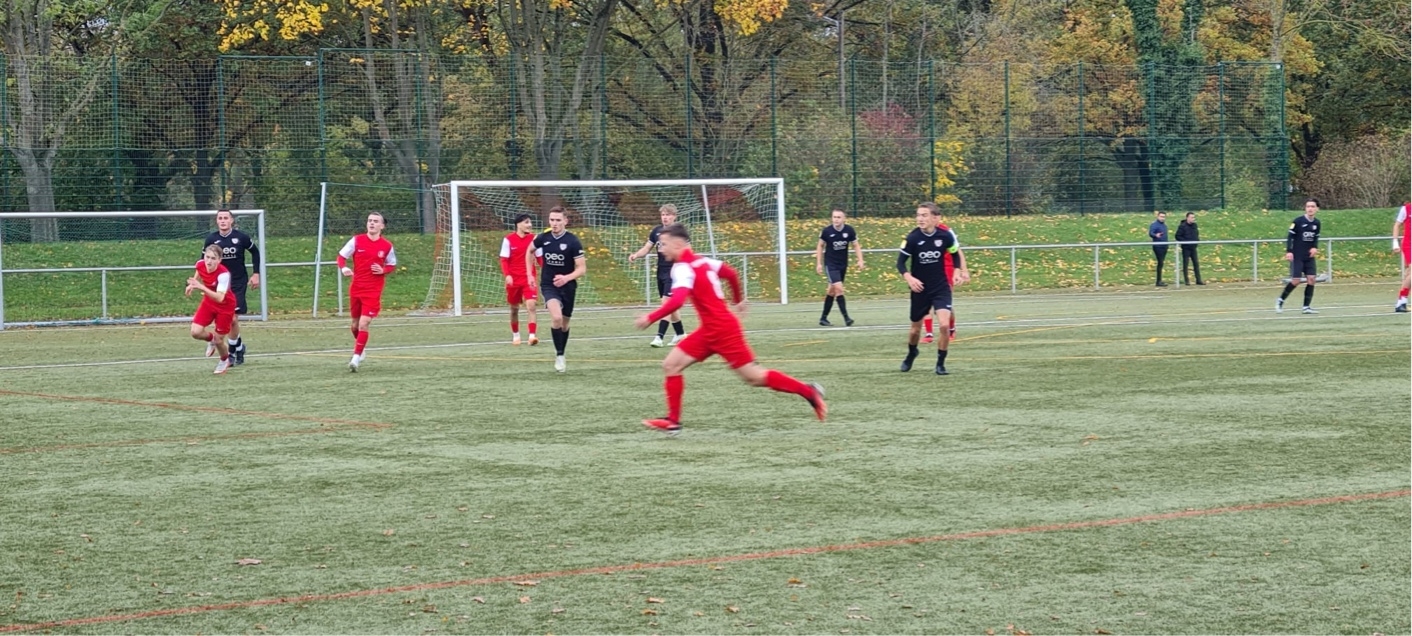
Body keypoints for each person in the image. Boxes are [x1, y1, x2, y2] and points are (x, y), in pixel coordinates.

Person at [634, 224, 826, 434]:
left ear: (678, 243)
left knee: (754, 377)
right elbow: (731, 273)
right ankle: (673, 421)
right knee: (671, 365)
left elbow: (677, 301)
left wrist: (650, 317)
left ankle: (808, 391)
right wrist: (737, 300)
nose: (661, 249)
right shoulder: (704, 261)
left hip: (723, 330)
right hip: (709, 330)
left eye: (664, 244)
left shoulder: (682, 268)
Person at [898, 202, 964, 375]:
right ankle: (912, 352)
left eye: (924, 215)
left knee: (944, 325)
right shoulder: (912, 238)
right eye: (918, 215)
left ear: (935, 218)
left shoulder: (945, 236)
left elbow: (955, 254)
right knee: (915, 330)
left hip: (940, 287)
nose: (920, 219)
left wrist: (957, 271)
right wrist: (909, 277)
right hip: (920, 289)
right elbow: (900, 263)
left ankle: (940, 364)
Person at [338, 212, 398, 371]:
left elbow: (392, 264)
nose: (371, 223)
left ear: (382, 226)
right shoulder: (356, 240)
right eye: (370, 220)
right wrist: (343, 268)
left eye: (376, 221)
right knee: (355, 325)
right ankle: (361, 348)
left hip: (373, 291)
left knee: (364, 324)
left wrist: (383, 270)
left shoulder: (387, 246)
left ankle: (355, 359)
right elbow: (341, 257)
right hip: (356, 288)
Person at [530, 206, 587, 372]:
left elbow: (582, 269)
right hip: (549, 285)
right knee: (556, 318)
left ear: (565, 221)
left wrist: (566, 278)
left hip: (568, 286)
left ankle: (562, 351)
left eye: (558, 220)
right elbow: (529, 250)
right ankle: (559, 355)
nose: (554, 223)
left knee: (565, 323)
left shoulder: (573, 241)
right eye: (552, 220)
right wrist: (529, 275)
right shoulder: (543, 237)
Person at [203, 209, 261, 364]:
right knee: (227, 319)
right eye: (220, 218)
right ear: (217, 221)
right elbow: (204, 261)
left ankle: (232, 352)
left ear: (231, 220)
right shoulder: (211, 239)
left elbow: (255, 253)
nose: (223, 221)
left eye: (226, 218)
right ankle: (239, 347)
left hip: (237, 282)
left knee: (233, 318)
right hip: (219, 284)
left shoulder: (241, 237)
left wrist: (256, 273)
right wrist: (205, 281)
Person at [628, 204, 686, 347]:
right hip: (661, 271)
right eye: (663, 215)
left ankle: (659, 337)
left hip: (674, 272)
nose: (665, 217)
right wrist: (636, 255)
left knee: (666, 304)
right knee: (670, 305)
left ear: (674, 216)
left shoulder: (678, 232)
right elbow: (647, 248)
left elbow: (687, 251)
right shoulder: (656, 231)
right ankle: (680, 334)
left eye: (668, 215)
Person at [186, 244, 236, 375]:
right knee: (195, 332)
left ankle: (224, 359)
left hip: (225, 306)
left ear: (219, 260)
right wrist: (192, 284)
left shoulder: (223, 274)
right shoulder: (200, 264)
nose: (209, 261)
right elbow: (199, 270)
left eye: (213, 258)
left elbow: (220, 298)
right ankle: (211, 339)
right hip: (208, 302)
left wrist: (201, 287)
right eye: (207, 257)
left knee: (220, 340)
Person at [815, 207, 865, 326]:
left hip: (842, 264)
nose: (836, 219)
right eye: (834, 217)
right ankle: (847, 318)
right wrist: (819, 263)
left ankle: (823, 318)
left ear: (844, 219)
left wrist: (860, 260)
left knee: (832, 291)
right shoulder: (827, 231)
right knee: (839, 289)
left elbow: (856, 245)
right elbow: (820, 246)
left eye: (838, 217)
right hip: (831, 264)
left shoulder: (849, 230)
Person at [923, 221, 969, 343]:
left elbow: (957, 251)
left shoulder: (946, 231)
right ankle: (928, 334)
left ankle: (951, 328)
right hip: (929, 270)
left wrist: (963, 270)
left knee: (943, 304)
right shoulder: (921, 232)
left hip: (946, 269)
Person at [500, 213, 540, 345]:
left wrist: (548, 271)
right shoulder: (508, 239)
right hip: (514, 280)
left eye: (530, 222)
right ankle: (516, 335)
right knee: (514, 309)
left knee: (531, 305)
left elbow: (540, 258)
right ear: (518, 224)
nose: (530, 225)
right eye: (527, 222)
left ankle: (532, 336)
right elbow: (504, 260)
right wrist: (508, 275)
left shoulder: (534, 239)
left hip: (529, 278)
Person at [1277, 198, 1322, 314]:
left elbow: (1316, 238)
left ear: (1317, 209)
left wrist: (1314, 247)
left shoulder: (1317, 223)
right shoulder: (1298, 221)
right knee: (1296, 280)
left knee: (1311, 279)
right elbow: (1290, 237)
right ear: (1305, 208)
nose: (1310, 209)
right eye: (1308, 206)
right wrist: (1289, 251)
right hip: (1297, 255)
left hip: (1309, 256)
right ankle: (1280, 300)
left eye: (1312, 206)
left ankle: (1306, 307)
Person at [1175, 211, 1204, 285]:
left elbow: (1196, 234)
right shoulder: (1182, 226)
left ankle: (1198, 280)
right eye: (1191, 217)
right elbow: (1177, 236)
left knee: (1196, 263)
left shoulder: (1194, 225)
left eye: (1194, 217)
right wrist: (1185, 242)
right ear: (1187, 218)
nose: (1193, 219)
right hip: (1186, 248)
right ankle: (1186, 280)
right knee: (1186, 264)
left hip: (1193, 247)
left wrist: (1197, 240)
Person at [1393, 202, 1410, 312]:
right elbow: (1397, 225)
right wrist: (1395, 243)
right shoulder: (1406, 209)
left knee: (1409, 273)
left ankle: (1401, 302)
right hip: (1409, 244)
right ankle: (1402, 301)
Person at [1149, 211, 1169, 287]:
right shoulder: (1154, 225)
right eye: (1161, 216)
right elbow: (1151, 233)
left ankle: (1159, 280)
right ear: (1158, 216)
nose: (1162, 218)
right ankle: (1158, 281)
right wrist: (1155, 235)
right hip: (1158, 246)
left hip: (1164, 246)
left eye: (1164, 217)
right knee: (1160, 262)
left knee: (1161, 263)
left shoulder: (1164, 225)